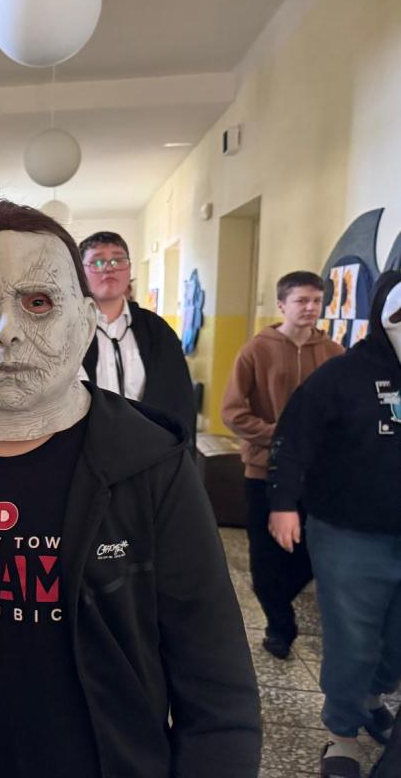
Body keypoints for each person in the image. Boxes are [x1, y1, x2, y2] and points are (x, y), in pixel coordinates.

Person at [0, 199, 261, 777]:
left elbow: (214, 675)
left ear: (82, 322)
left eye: (38, 303)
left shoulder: (150, 466)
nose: (8, 332)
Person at [269, 270, 401, 778]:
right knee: (354, 640)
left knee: (395, 640)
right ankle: (342, 733)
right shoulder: (341, 376)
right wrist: (283, 503)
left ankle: (371, 698)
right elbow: (293, 439)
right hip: (350, 533)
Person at [222, 271, 344, 660]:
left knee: (310, 552)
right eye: (301, 301)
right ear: (281, 305)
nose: (310, 308)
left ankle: (281, 604)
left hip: (317, 474)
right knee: (265, 557)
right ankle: (279, 626)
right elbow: (233, 411)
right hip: (264, 471)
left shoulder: (334, 353)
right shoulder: (256, 350)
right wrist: (279, 436)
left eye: (316, 301)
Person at [78, 231, 196, 445]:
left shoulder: (157, 331)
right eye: (97, 262)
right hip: (87, 448)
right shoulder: (69, 330)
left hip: (149, 447)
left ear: (129, 268)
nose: (109, 267)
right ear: (80, 272)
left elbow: (179, 399)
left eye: (118, 259)